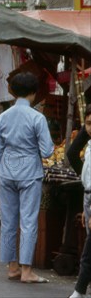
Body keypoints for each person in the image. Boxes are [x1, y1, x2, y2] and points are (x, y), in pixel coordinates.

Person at [0, 72, 54, 284]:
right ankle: (27, 270)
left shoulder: (3, 117)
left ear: (13, 91)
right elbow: (47, 151)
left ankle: (12, 267)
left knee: (9, 221)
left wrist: (0, 172)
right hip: (29, 171)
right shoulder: (37, 117)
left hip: (6, 170)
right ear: (33, 92)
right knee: (28, 221)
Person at [67, 104, 91, 298]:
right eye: (88, 124)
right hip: (88, 196)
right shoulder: (89, 145)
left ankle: (79, 291)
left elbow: (72, 153)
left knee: (88, 253)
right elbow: (72, 153)